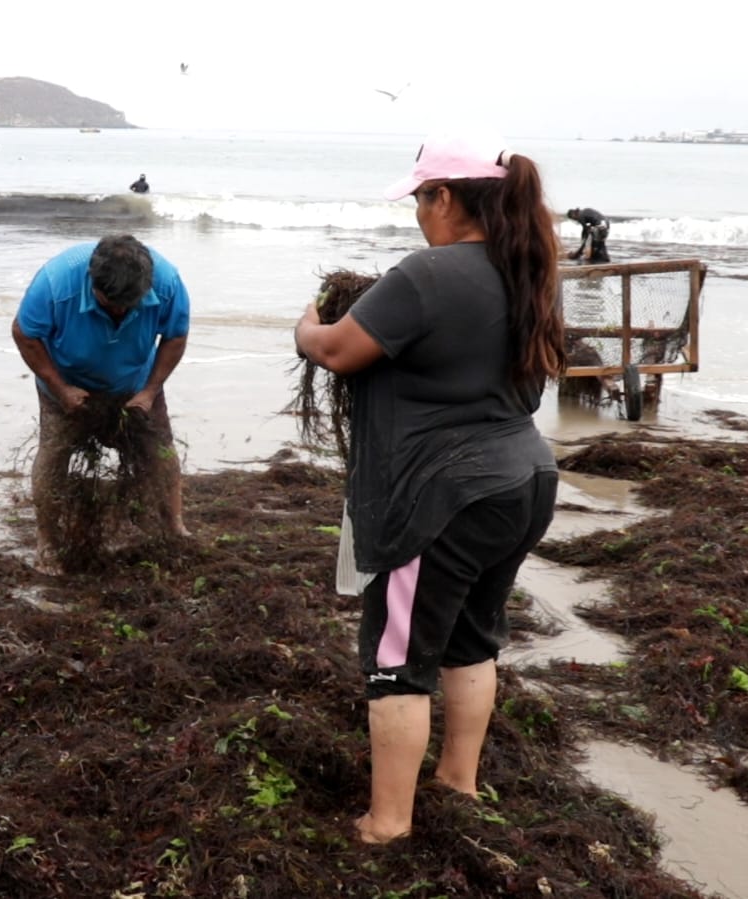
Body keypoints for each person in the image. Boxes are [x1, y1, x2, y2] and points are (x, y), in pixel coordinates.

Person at [293, 133, 566, 844]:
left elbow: (338, 351)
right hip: (524, 482)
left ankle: (386, 823)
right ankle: (458, 780)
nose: (416, 214)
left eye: (419, 198)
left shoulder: (427, 275)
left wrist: (305, 327)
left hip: (441, 499)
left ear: (445, 197)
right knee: (472, 643)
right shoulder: (527, 271)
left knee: (396, 661)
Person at [12, 234, 191, 573]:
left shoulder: (168, 282)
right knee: (54, 454)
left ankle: (174, 528)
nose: (121, 311)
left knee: (159, 451)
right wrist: (61, 389)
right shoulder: (55, 283)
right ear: (92, 282)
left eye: (130, 304)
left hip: (136, 384)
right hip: (66, 384)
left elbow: (175, 336)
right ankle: (48, 542)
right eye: (111, 303)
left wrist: (150, 391)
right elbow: (25, 334)